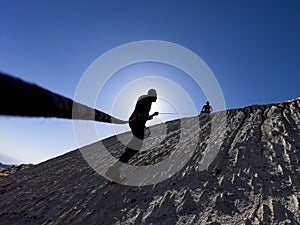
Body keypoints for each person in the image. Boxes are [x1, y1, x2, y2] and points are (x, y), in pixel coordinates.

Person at [105, 89, 159, 181]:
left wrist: (152, 115)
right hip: (136, 123)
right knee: (135, 146)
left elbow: (143, 116)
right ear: (152, 95)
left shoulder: (147, 102)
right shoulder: (145, 100)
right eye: (155, 96)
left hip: (136, 123)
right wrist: (143, 116)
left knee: (135, 145)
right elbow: (140, 113)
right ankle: (114, 170)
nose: (156, 98)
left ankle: (115, 168)